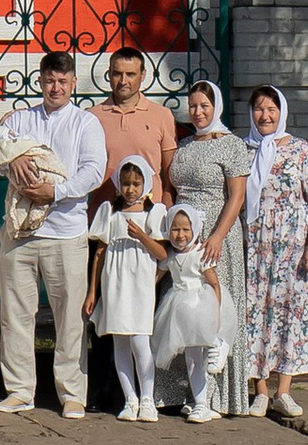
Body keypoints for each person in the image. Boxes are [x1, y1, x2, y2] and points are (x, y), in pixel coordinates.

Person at [0, 48, 107, 415]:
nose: (55, 87)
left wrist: (55, 191)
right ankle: (20, 390)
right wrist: (13, 155)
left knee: (70, 316)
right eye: (49, 81)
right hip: (19, 233)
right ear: (39, 82)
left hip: (66, 231)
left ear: (73, 83)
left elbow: (93, 170)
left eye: (62, 81)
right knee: (15, 313)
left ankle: (72, 393)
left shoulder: (84, 123)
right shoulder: (22, 120)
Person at [235, 83, 308, 418]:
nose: (265, 115)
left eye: (271, 109)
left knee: (290, 313)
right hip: (256, 249)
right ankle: (259, 389)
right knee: (256, 314)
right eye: (259, 108)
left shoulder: (300, 150)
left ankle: (284, 390)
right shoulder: (241, 150)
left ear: (282, 112)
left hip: (293, 248)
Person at [168, 78, 254, 420]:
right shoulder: (185, 145)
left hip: (218, 239)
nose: (198, 112)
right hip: (185, 239)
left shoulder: (231, 145)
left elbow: (237, 196)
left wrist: (217, 236)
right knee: (187, 313)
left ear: (216, 107)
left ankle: (220, 397)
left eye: (204, 106)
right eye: (193, 106)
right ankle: (194, 392)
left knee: (216, 312)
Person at [86, 154, 170, 420]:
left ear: (145, 184)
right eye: (125, 184)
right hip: (115, 282)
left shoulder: (154, 213)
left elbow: (162, 254)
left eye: (136, 184)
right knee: (120, 341)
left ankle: (148, 398)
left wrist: (141, 235)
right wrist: (92, 291)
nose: (130, 189)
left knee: (140, 340)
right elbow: (99, 252)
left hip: (141, 283)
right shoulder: (109, 212)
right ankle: (130, 399)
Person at [152, 206, 229, 418]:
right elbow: (156, 277)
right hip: (178, 310)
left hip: (199, 304)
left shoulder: (199, 254)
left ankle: (217, 343)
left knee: (197, 354)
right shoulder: (170, 256)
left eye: (186, 229)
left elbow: (214, 284)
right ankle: (201, 402)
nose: (180, 235)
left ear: (194, 229)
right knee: (191, 357)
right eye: (175, 229)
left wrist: (216, 314)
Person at [100, 46, 178, 203]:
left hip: (149, 214)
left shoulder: (162, 115)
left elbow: (171, 174)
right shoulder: (92, 116)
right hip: (104, 213)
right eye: (117, 74)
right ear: (109, 75)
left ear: (143, 76)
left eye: (130, 74)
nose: (123, 81)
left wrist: (167, 207)